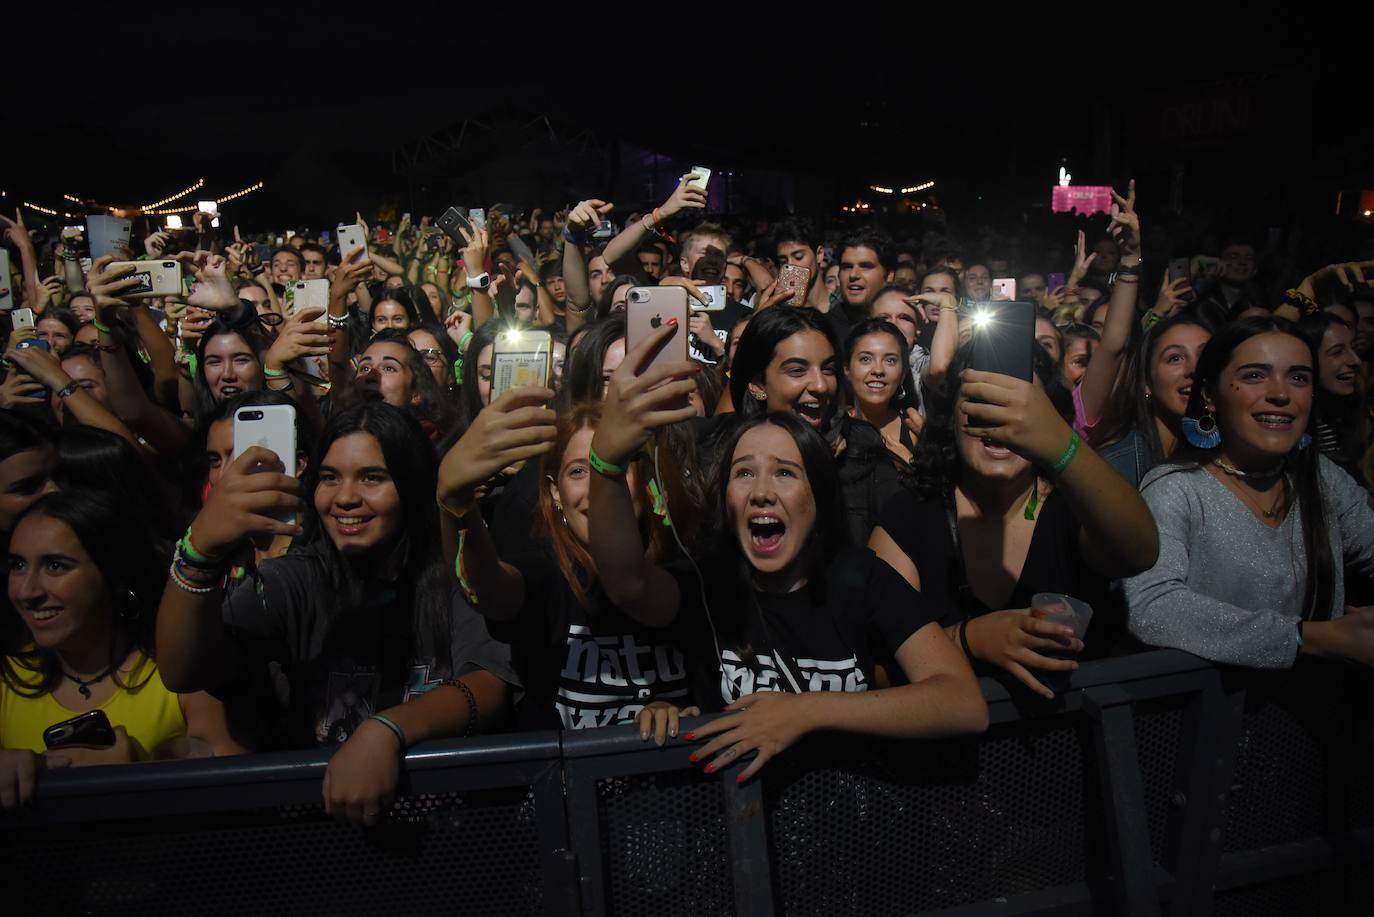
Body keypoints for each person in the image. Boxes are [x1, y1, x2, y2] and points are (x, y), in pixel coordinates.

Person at [584, 329, 988, 780]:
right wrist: (606, 461)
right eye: (743, 474)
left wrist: (804, 713)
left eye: (784, 473)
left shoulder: (860, 577)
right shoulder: (706, 584)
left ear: (817, 497)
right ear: (725, 498)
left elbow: (962, 704)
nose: (761, 493)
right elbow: (626, 582)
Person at [156, 402, 515, 824]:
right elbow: (183, 671)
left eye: (372, 478)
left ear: (412, 484)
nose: (345, 497)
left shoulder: (453, 571)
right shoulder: (295, 579)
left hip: (454, 840)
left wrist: (387, 730)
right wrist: (198, 553)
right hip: (324, 846)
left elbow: (491, 684)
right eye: (329, 478)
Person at [868, 344, 1159, 698]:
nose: (999, 418)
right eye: (981, 400)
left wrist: (1062, 445)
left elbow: (1140, 553)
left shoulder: (1076, 509)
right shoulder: (909, 516)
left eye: (1019, 404)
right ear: (951, 416)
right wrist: (970, 639)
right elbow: (877, 670)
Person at [1124, 316, 1374, 669]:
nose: (1281, 394)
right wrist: (1309, 638)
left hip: (1322, 715)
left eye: (1299, 378)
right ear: (1210, 395)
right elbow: (1154, 608)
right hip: (1217, 717)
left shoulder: (1321, 478)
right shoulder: (1175, 489)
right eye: (1255, 375)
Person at [436, 396, 695, 730]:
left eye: (614, 465)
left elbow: (635, 588)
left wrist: (669, 708)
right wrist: (456, 502)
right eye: (578, 471)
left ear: (646, 482)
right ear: (555, 492)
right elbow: (487, 589)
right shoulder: (546, 574)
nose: (596, 488)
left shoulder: (687, 571)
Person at [2, 490, 242, 809]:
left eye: (55, 566)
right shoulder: (6, 680)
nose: (27, 591)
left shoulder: (182, 675)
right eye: (18, 565)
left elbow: (237, 804)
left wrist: (138, 775)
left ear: (111, 574)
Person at [1094, 313, 1215, 487]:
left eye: (1205, 356)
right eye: (1175, 358)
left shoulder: (1237, 456)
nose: (1194, 369)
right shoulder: (1117, 466)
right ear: (1146, 383)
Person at [1297, 312, 1368, 477]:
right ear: (1308, 360)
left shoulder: (1353, 415)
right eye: (1337, 352)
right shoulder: (1296, 430)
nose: (1355, 360)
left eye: (1353, 348)